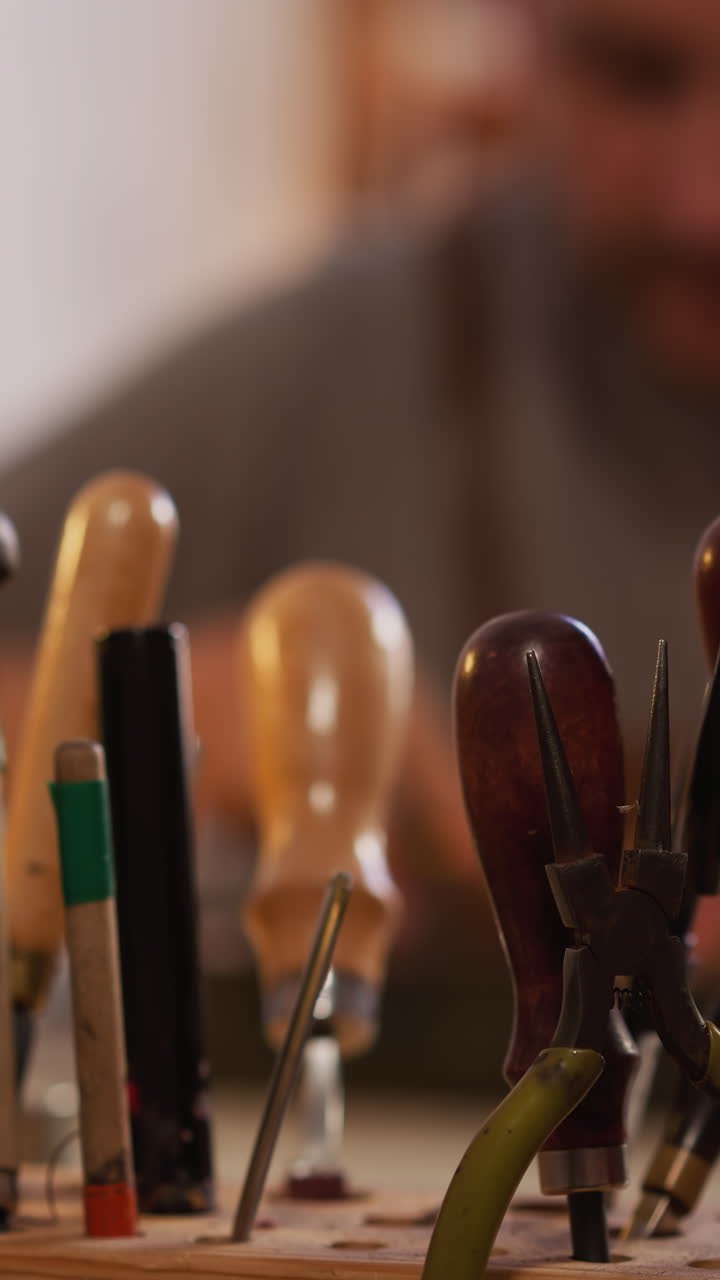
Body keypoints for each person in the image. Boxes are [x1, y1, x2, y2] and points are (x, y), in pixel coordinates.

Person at [1, 0, 720, 1076]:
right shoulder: (356, 350)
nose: (700, 203)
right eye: (635, 76)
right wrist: (119, 716)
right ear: (519, 37)